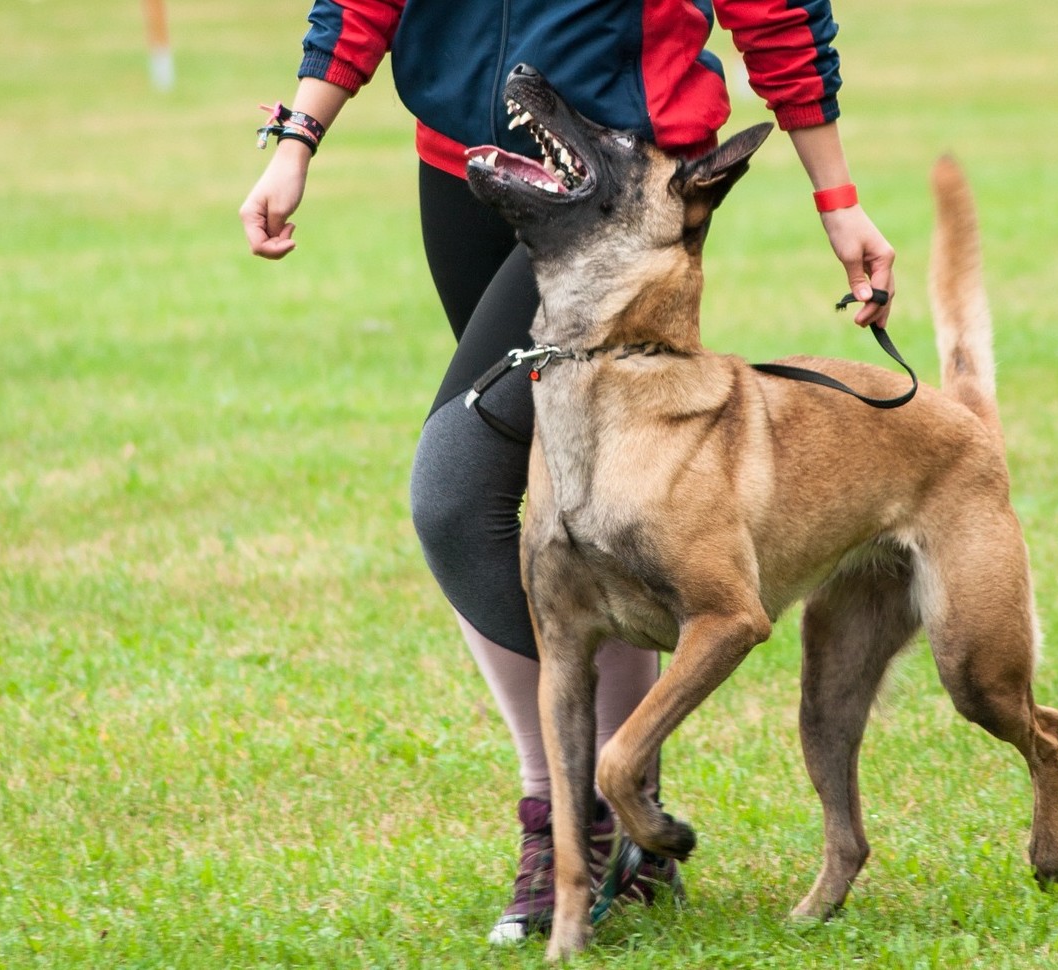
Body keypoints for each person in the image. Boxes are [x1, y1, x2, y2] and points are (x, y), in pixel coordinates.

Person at [239, 0, 896, 945]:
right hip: (467, 163)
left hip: (618, 186)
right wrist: (299, 132)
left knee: (456, 489)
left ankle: (579, 809)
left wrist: (835, 197)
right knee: (567, 504)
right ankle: (614, 836)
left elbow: (778, 10)